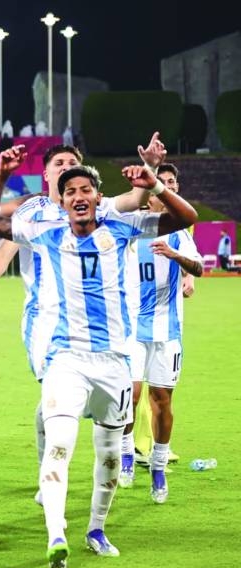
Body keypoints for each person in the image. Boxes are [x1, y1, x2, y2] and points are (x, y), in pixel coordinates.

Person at [0, 145, 197, 568]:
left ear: (98, 197)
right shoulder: (45, 232)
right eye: (70, 191)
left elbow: (185, 218)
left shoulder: (123, 227)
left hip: (115, 361)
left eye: (85, 189)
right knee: (60, 444)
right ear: (61, 201)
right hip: (67, 359)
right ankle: (55, 534)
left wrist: (154, 184)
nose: (78, 196)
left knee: (110, 454)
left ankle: (96, 529)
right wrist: (1, 174)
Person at [0, 134, 165, 490]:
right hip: (44, 321)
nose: (66, 168)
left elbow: (136, 199)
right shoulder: (33, 212)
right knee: (56, 394)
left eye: (72, 163)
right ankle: (52, 478)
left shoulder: (99, 207)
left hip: (98, 320)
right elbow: (2, 247)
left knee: (83, 400)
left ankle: (103, 460)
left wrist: (149, 166)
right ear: (46, 175)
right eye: (58, 164)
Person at [119, 163, 203, 502]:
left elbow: (199, 268)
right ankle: (126, 455)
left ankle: (157, 467)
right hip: (132, 330)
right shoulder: (131, 229)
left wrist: (175, 255)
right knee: (130, 395)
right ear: (147, 199)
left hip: (167, 331)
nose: (163, 195)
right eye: (158, 190)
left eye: (168, 188)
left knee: (162, 400)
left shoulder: (179, 234)